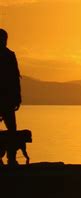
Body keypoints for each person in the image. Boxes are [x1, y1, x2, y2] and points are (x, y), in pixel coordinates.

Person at [0, 29, 21, 166]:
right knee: (12, 129)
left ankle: (11, 158)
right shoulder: (9, 55)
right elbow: (15, 78)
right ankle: (11, 159)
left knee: (12, 129)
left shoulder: (10, 55)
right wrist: (17, 97)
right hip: (7, 99)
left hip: (7, 100)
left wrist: (17, 97)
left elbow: (15, 77)